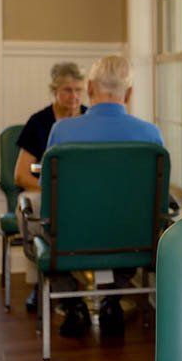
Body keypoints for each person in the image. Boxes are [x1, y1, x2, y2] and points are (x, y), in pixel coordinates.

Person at [45, 54, 163, 338]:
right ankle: (112, 300)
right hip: (134, 242)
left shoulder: (62, 132)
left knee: (39, 223)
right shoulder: (150, 135)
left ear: (90, 88)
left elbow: (50, 199)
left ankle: (73, 304)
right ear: (130, 92)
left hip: (70, 242)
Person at [15, 62, 87, 312]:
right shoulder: (39, 122)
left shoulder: (90, 118)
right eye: (67, 90)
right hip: (47, 192)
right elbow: (21, 175)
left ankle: (101, 290)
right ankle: (45, 281)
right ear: (54, 91)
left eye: (79, 90)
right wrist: (54, 192)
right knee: (31, 207)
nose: (74, 96)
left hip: (84, 194)